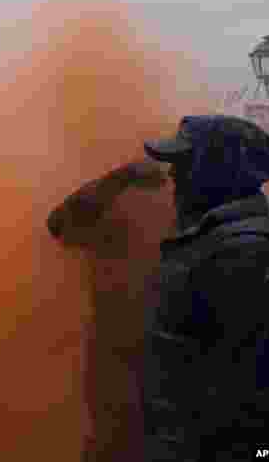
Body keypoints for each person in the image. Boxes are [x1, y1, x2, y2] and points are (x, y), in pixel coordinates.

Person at [50, 115, 269, 460]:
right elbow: (60, 225)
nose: (172, 175)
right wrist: (119, 179)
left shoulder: (241, 252)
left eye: (183, 163)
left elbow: (247, 393)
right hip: (128, 419)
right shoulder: (158, 219)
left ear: (215, 171)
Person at [47, 159, 167, 461]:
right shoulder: (112, 209)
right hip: (116, 361)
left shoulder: (204, 224)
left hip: (164, 370)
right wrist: (118, 179)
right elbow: (59, 225)